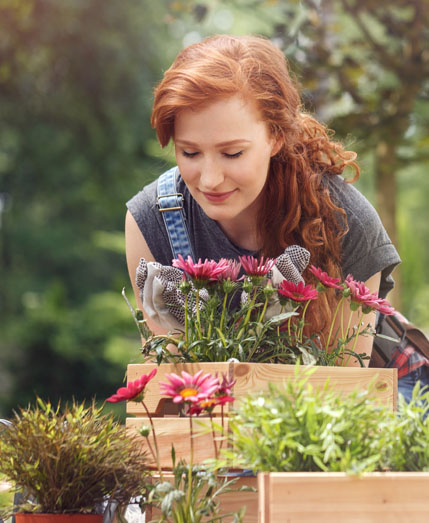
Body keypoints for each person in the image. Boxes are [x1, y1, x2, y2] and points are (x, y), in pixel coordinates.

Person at [125, 34, 427, 395]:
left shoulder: (347, 221)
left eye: (232, 153)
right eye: (189, 153)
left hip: (388, 391)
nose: (209, 179)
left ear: (276, 136)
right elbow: (179, 389)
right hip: (236, 408)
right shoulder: (152, 221)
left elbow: (348, 398)